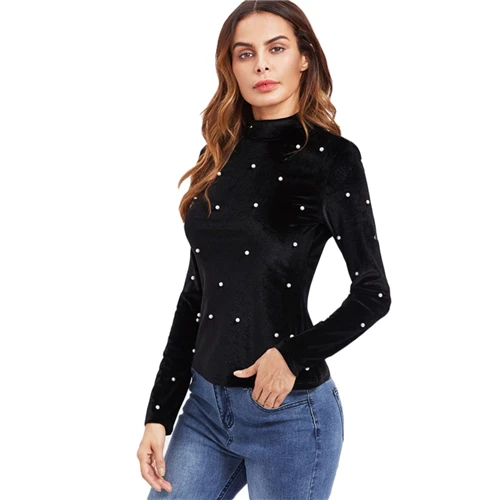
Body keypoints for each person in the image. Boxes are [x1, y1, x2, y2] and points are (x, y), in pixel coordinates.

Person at [137, 1, 392, 498]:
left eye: (276, 49)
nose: (261, 65)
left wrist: (291, 355)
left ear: (304, 58)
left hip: (289, 417)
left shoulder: (332, 159)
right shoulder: (217, 155)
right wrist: (158, 415)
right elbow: (196, 297)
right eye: (245, 53)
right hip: (204, 409)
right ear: (230, 67)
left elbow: (373, 293)